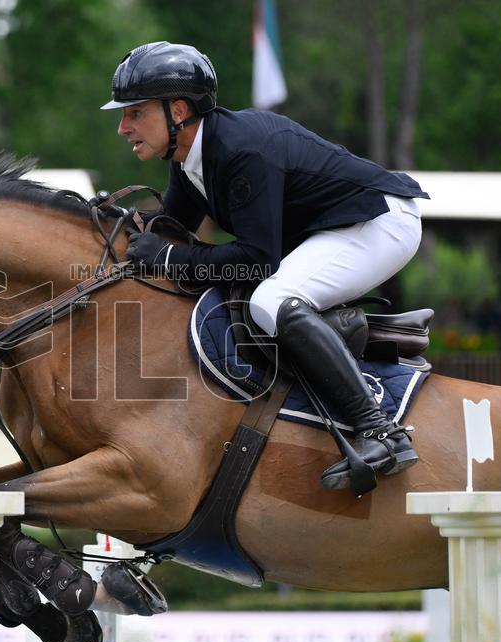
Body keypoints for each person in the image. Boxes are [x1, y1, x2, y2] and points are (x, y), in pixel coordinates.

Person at [102, 41, 428, 490]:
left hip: (378, 222)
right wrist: (114, 227)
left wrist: (170, 258)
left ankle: (381, 430)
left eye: (135, 113)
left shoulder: (241, 150)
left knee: (271, 300)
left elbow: (254, 261)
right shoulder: (189, 159)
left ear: (177, 110)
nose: (123, 127)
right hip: (335, 228)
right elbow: (169, 230)